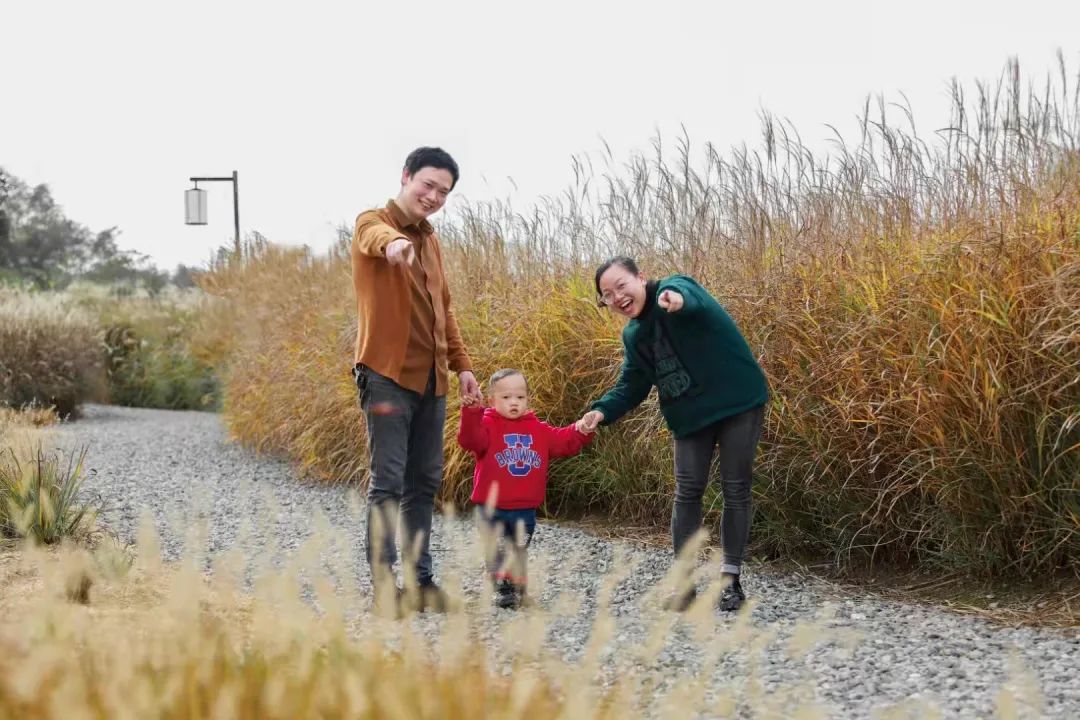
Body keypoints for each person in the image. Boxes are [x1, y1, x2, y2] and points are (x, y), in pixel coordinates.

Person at [576, 256, 768, 612]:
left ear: (641, 278)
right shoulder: (634, 334)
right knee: (687, 491)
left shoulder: (674, 288)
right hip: (690, 414)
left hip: (737, 401)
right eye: (607, 294)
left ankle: (731, 582)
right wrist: (600, 411)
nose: (617, 297)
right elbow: (632, 384)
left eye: (621, 286)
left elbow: (686, 296)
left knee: (735, 486)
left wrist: (675, 302)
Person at [350, 146, 483, 615]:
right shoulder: (374, 221)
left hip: (432, 381)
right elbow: (373, 234)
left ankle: (420, 581)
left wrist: (462, 365)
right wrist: (392, 245)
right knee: (387, 482)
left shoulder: (431, 241)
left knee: (424, 482)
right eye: (427, 184)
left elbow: (443, 308)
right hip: (386, 377)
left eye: (443, 191)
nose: (433, 196)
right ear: (406, 176)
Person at [457, 368, 594, 609]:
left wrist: (581, 428)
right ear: (492, 400)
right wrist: (471, 413)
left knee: (518, 549)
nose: (514, 403)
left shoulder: (538, 430)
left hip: (525, 509)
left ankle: (517, 586)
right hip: (491, 508)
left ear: (527, 399)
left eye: (520, 398)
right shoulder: (486, 425)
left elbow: (563, 441)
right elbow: (469, 440)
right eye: (506, 397)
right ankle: (503, 589)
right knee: (496, 549)